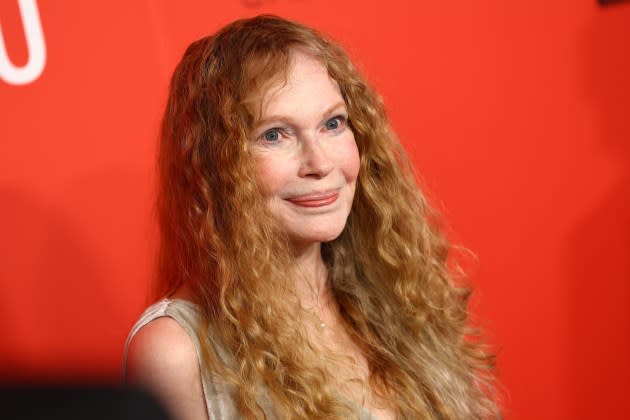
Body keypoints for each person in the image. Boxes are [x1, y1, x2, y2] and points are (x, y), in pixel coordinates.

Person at [123, 15, 499, 420]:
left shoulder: (397, 298)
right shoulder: (176, 351)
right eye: (274, 135)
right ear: (212, 166)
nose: (320, 163)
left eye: (332, 124)